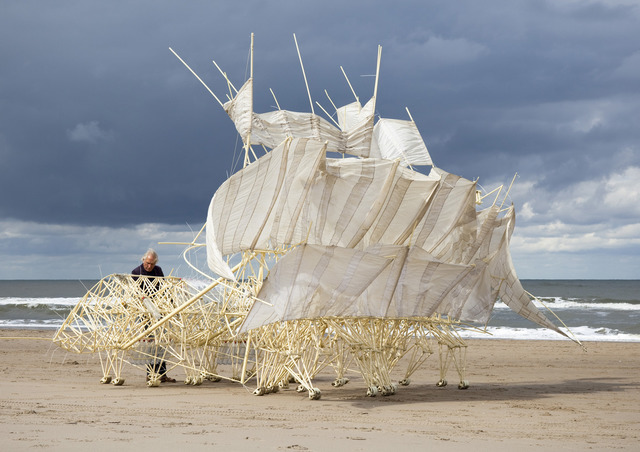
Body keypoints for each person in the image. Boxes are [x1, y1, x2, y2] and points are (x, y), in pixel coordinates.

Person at [131, 249, 176, 383]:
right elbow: (135, 294)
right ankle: (150, 374)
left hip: (159, 310)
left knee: (161, 342)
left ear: (155, 263)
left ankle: (162, 374)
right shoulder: (136, 272)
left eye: (151, 264)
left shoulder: (158, 271)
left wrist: (171, 304)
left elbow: (163, 288)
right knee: (151, 343)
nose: (149, 266)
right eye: (147, 263)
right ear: (143, 260)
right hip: (145, 312)